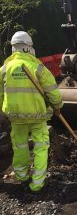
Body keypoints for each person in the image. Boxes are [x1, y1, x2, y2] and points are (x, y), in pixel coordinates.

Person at [0, 31, 63, 192]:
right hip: (37, 116)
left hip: (15, 117)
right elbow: (53, 92)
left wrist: (3, 111)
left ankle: (22, 176)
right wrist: (57, 107)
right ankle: (37, 183)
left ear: (13, 48)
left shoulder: (4, 69)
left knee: (19, 145)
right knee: (41, 147)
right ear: (29, 48)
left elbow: (0, 94)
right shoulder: (38, 68)